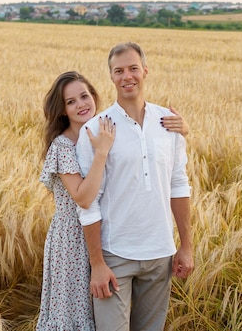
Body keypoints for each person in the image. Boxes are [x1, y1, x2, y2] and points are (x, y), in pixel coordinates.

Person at [37, 71, 189, 330]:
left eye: (84, 96)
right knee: (74, 317)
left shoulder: (104, 127)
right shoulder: (64, 146)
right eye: (70, 101)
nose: (81, 104)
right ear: (62, 110)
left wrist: (184, 130)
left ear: (94, 96)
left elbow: (155, 160)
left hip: (105, 234)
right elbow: (84, 198)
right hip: (73, 242)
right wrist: (101, 152)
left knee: (100, 317)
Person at [77, 42, 194, 331]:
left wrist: (186, 246)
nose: (127, 76)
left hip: (160, 253)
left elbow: (178, 185)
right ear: (111, 77)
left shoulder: (169, 123)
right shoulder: (95, 129)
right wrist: (98, 264)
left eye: (132, 68)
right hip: (116, 254)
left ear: (145, 71)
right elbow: (89, 203)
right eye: (119, 71)